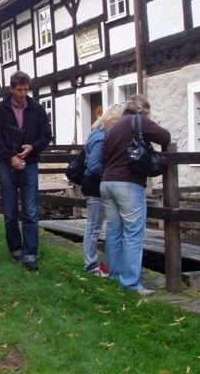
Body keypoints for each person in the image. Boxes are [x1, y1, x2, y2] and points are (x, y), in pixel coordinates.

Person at [100, 94, 171, 295]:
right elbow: (165, 137)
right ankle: (130, 284)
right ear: (143, 111)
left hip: (107, 182)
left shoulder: (114, 126)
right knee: (133, 233)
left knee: (114, 231)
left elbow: (105, 156)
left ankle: (115, 275)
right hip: (128, 183)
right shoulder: (138, 121)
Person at [0, 71, 52, 271]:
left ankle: (30, 252)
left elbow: (46, 135)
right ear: (11, 88)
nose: (23, 94)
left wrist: (33, 147)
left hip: (30, 163)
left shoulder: (37, 109)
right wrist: (10, 157)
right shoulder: (0, 109)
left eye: (26, 90)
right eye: (19, 90)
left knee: (31, 211)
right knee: (9, 210)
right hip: (7, 165)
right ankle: (15, 249)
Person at [81, 103, 124, 277]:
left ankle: (94, 263)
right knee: (93, 227)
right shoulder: (100, 137)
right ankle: (90, 264)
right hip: (95, 185)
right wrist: (112, 174)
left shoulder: (96, 133)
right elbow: (93, 166)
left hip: (95, 184)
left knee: (94, 226)